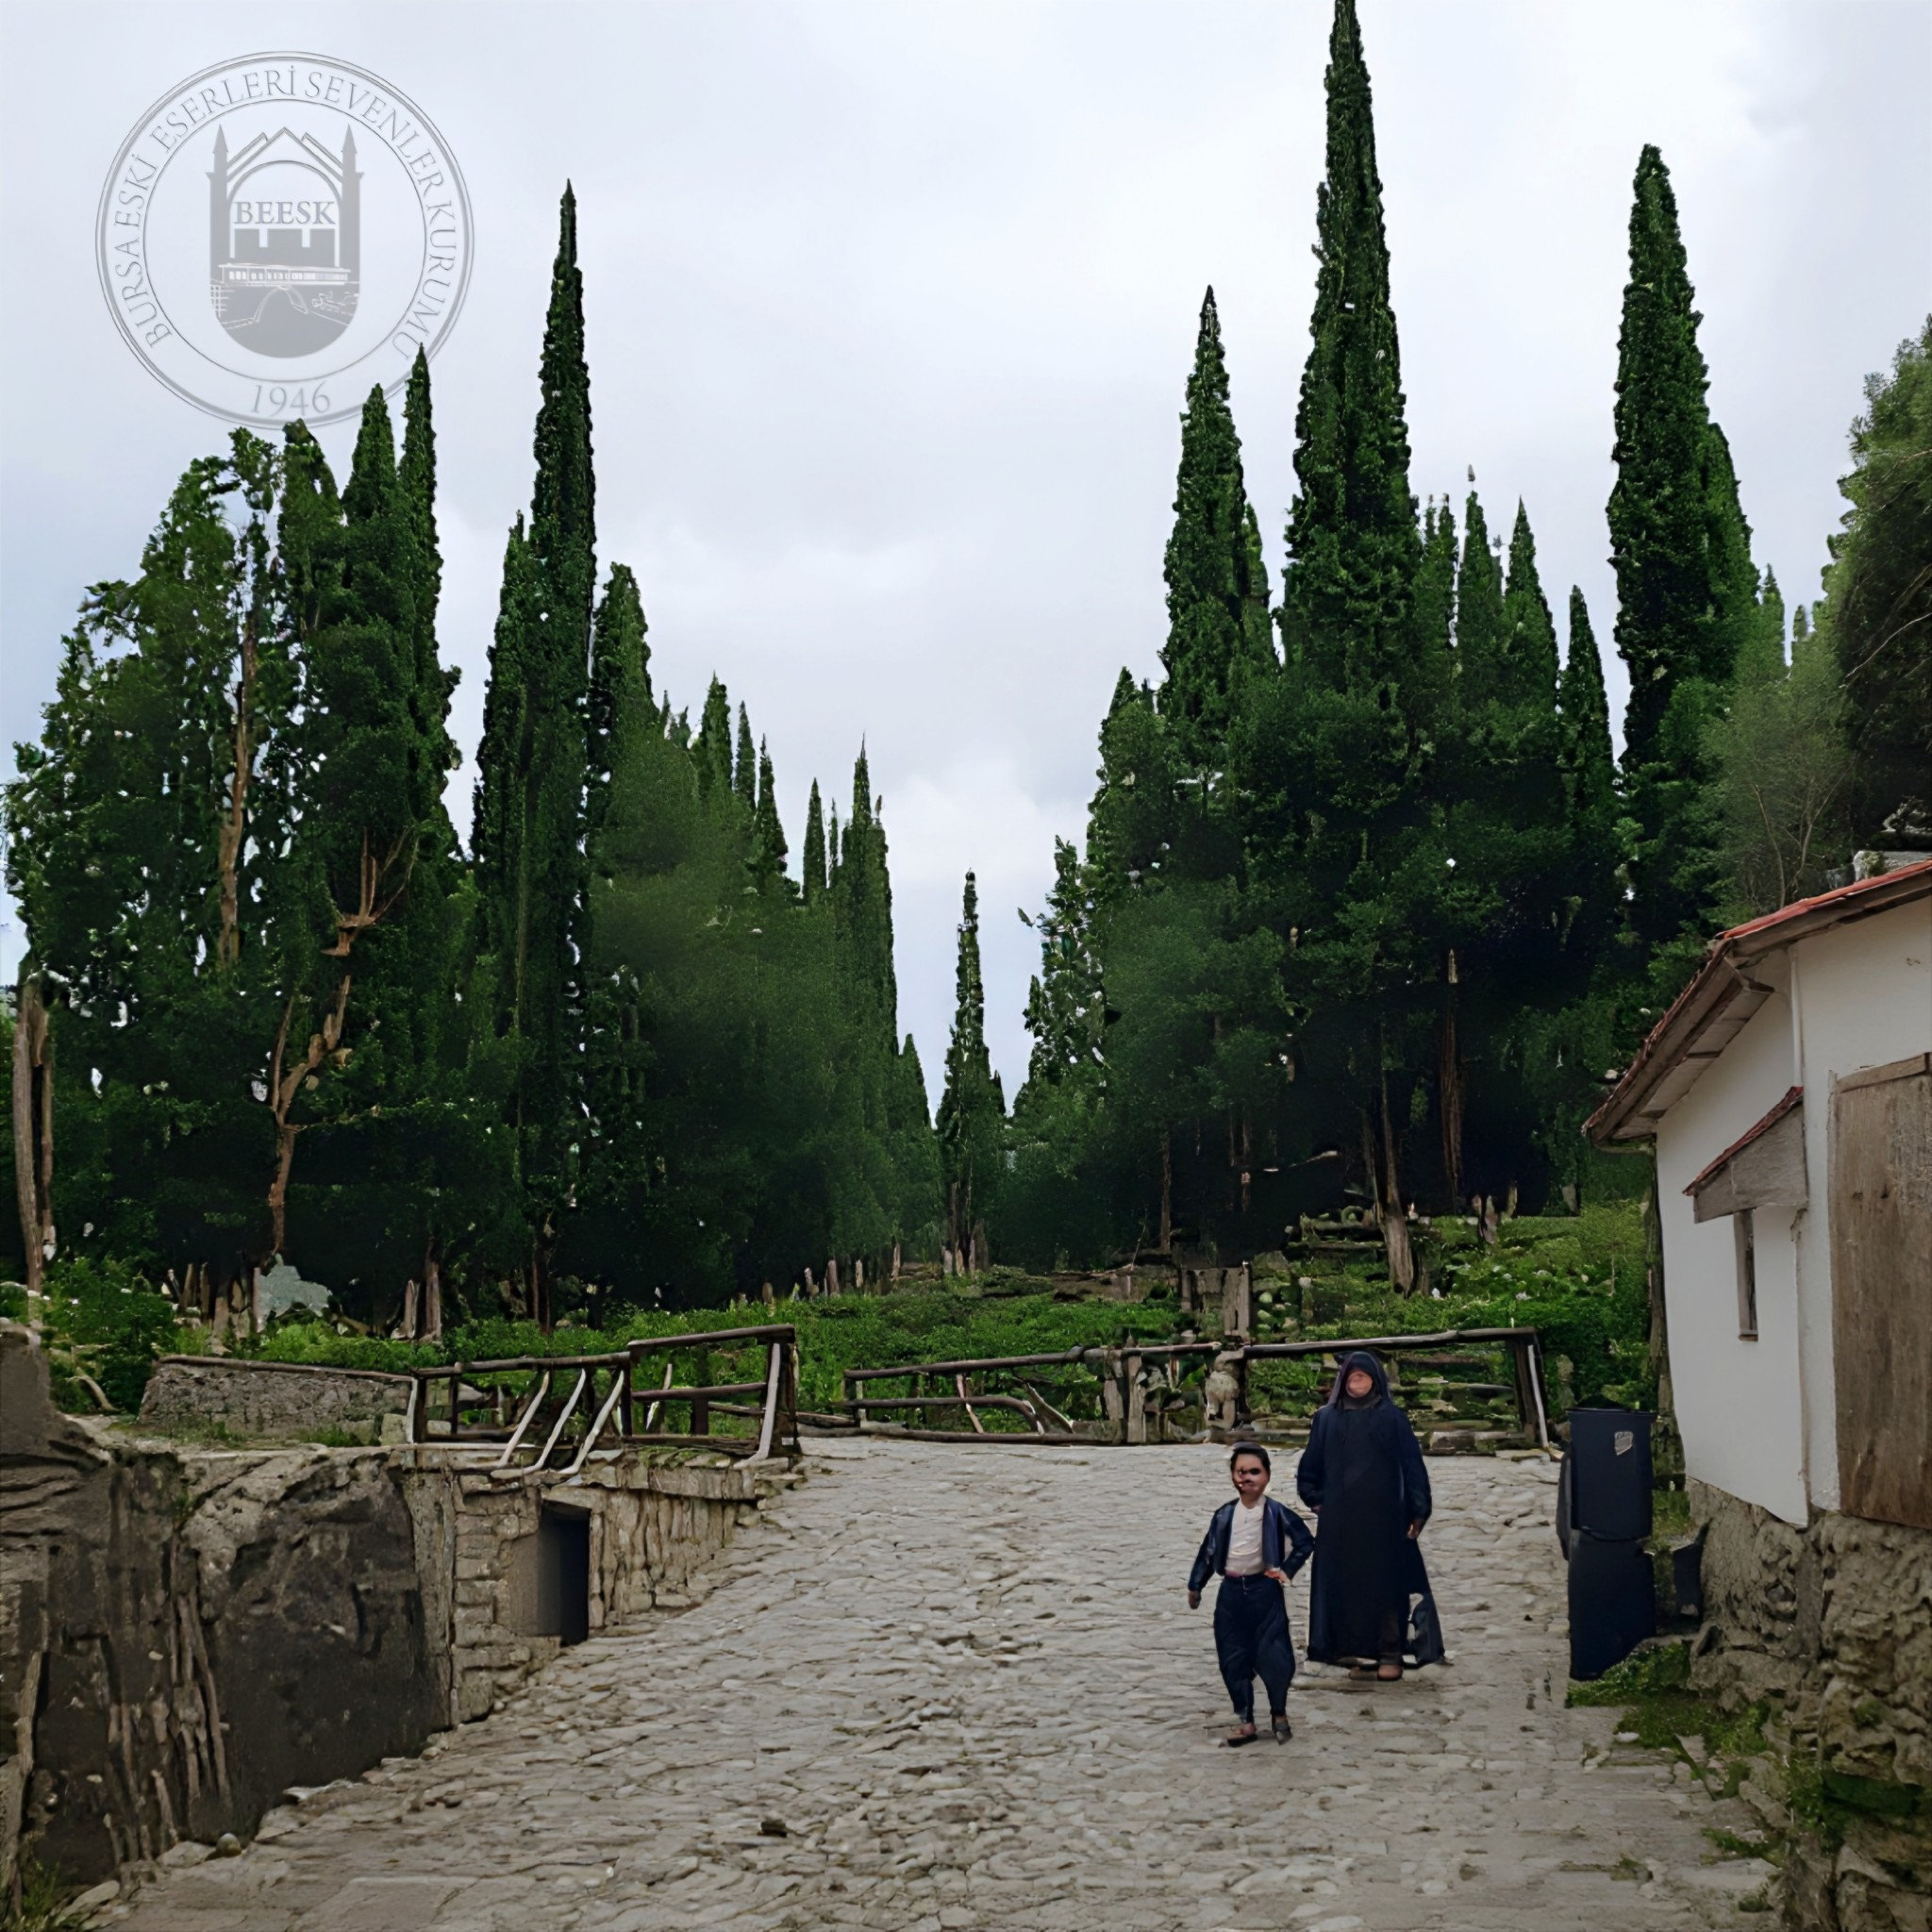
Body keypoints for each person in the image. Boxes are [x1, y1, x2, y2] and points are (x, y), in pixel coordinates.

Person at [1296, 1349, 1443, 1680]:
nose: (1355, 1382)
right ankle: (1353, 1651)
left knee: (1387, 1585)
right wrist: (1320, 1501)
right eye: (1350, 1377)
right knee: (1345, 1586)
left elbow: (1412, 1467)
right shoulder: (1327, 1419)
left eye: (1361, 1376)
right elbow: (1310, 1469)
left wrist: (1418, 1511)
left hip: (1385, 1519)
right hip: (1340, 1524)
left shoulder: (1392, 1418)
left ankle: (1389, 1651)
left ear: (1374, 1379)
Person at [1187, 1443, 1315, 1745]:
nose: (1247, 1478)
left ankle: (1279, 1712)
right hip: (1230, 1593)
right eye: (1241, 1472)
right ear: (1233, 1476)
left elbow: (1305, 1541)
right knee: (1232, 1656)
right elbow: (1208, 1553)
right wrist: (1196, 1585)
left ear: (1267, 1476)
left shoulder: (1277, 1513)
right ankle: (1246, 1719)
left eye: (1254, 1472)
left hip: (1264, 1590)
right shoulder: (1224, 1516)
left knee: (1275, 1654)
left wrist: (1285, 1570)